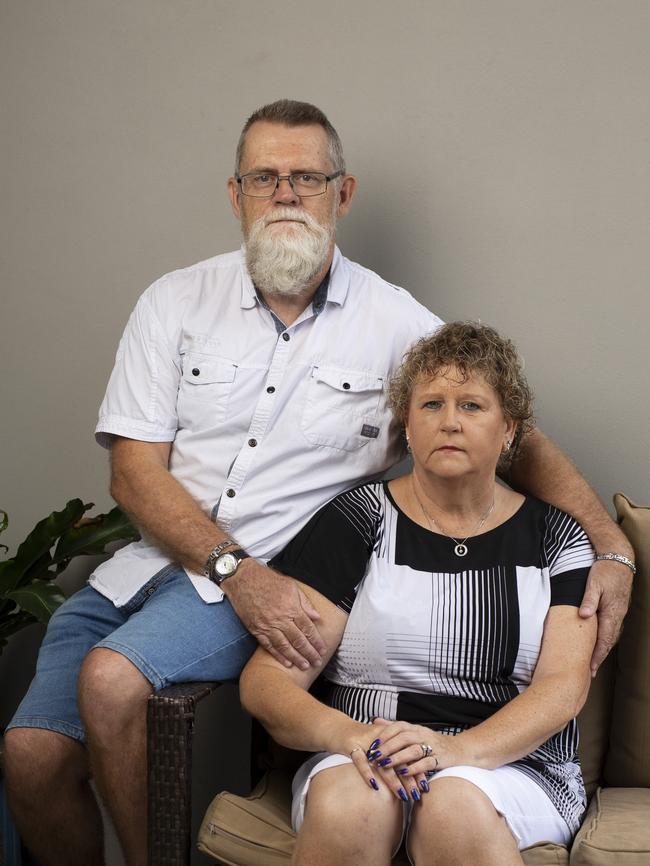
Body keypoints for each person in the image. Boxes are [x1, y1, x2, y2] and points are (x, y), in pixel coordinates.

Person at [3, 101, 633, 866]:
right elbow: (133, 471)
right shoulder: (172, 302)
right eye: (265, 177)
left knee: (109, 683)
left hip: (271, 577)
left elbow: (502, 424)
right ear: (235, 193)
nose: (286, 194)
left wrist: (609, 546)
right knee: (31, 757)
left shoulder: (395, 323)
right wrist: (230, 571)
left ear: (343, 191)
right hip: (146, 567)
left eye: (307, 176)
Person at [240, 322, 601, 866]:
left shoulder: (558, 539)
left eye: (472, 406)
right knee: (350, 804)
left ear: (509, 430)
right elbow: (268, 683)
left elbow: (563, 687)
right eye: (431, 404)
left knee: (452, 803)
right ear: (407, 425)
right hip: (364, 752)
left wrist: (454, 751)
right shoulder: (357, 520)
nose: (449, 421)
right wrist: (352, 737)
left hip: (511, 765)